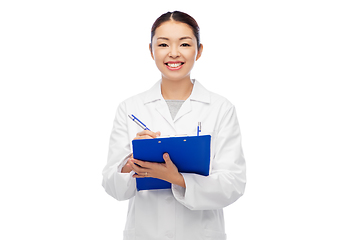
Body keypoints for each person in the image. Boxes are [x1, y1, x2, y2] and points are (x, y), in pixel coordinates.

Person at [102, 11, 246, 240]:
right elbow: (112, 185)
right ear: (151, 51)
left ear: (198, 51)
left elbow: (233, 184)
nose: (174, 53)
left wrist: (177, 178)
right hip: (146, 232)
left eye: (185, 44)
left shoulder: (221, 108)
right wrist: (131, 162)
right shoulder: (130, 108)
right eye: (163, 44)